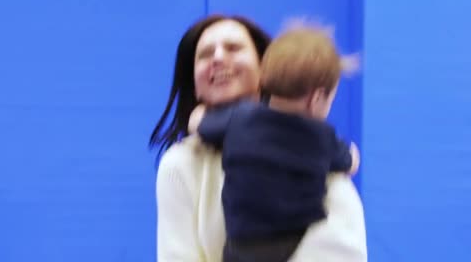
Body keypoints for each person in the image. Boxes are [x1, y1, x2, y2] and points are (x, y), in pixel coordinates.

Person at [150, 14, 367, 262]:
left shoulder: (315, 153)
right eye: (205, 54)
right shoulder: (179, 164)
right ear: (195, 84)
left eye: (234, 48)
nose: (219, 57)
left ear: (264, 70)